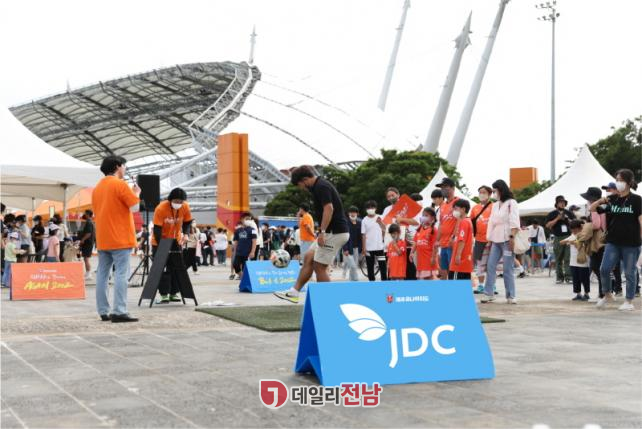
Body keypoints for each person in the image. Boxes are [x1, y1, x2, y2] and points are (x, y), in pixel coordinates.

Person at [274, 166, 350, 303]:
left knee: (319, 267)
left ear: (304, 180)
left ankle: (329, 303)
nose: (301, 188)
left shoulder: (321, 186)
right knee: (309, 257)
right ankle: (294, 292)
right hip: (330, 232)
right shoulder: (317, 187)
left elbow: (329, 208)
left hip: (335, 232)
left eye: (300, 185)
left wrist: (322, 232)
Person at [92, 155, 141, 323]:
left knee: (102, 274)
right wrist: (136, 193)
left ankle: (103, 311)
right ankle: (119, 310)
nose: (125, 169)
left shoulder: (97, 188)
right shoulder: (120, 184)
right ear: (118, 166)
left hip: (103, 237)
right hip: (120, 237)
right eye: (124, 166)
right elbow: (134, 207)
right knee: (121, 273)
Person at [591, 169, 641, 311]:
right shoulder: (613, 199)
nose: (618, 182)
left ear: (629, 182)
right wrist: (601, 200)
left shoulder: (637, 200)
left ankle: (629, 301)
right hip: (613, 241)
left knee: (630, 272)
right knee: (604, 269)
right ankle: (607, 294)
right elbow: (592, 209)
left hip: (631, 243)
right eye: (617, 180)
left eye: (621, 180)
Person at [151, 187, 194, 303]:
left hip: (176, 241)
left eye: (180, 201)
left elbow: (187, 222)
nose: (178, 203)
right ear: (170, 199)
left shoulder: (185, 206)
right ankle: (163, 294)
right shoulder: (161, 208)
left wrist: (186, 234)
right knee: (161, 268)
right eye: (176, 201)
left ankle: (173, 293)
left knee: (176, 267)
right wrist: (162, 247)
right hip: (160, 241)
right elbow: (157, 229)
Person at [481, 180, 520, 304]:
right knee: (490, 266)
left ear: (501, 190)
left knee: (507, 268)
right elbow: (491, 222)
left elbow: (514, 221)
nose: (493, 193)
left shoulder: (511, 203)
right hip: (495, 240)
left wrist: (512, 237)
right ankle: (489, 294)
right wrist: (489, 238)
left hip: (507, 239)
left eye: (494, 191)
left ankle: (511, 296)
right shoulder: (495, 204)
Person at [580, 187, 607, 298]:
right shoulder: (601, 208)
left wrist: (586, 226)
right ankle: (603, 291)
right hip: (602, 240)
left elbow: (596, 225)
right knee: (598, 267)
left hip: (598, 241)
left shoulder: (595, 209)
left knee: (596, 267)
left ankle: (603, 292)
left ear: (592, 199)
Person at [545, 195, 576, 284]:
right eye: (560, 202)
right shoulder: (552, 214)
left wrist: (568, 220)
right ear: (557, 204)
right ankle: (559, 277)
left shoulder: (569, 213)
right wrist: (557, 219)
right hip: (558, 237)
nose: (562, 204)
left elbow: (576, 223)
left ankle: (569, 276)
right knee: (558, 258)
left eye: (563, 202)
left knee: (568, 257)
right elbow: (547, 225)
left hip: (569, 236)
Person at [434, 178, 460, 279]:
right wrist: (437, 240)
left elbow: (459, 221)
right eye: (442, 188)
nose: (443, 189)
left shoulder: (458, 202)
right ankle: (445, 288)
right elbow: (441, 224)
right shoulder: (443, 206)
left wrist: (453, 237)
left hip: (452, 243)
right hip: (443, 243)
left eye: (445, 187)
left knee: (453, 270)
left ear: (453, 188)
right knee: (443, 270)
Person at [561, 220, 591, 301]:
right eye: (572, 229)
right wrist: (569, 241)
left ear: (580, 228)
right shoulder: (572, 235)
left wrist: (574, 242)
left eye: (575, 229)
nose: (573, 231)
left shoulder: (584, 235)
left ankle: (586, 294)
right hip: (573, 261)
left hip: (583, 261)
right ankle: (578, 294)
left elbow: (584, 244)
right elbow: (561, 242)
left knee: (584, 278)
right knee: (575, 278)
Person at [470, 186, 493, 287]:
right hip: (479, 240)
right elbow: (471, 223)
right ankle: (481, 285)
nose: (481, 194)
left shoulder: (494, 207)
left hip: (492, 240)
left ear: (489, 194)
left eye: (484, 192)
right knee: (480, 263)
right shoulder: (475, 208)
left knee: (492, 264)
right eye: (480, 192)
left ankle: (492, 285)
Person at [361, 200, 388, 281]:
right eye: (368, 208)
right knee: (370, 267)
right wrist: (364, 248)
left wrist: (380, 223)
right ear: (366, 209)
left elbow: (385, 229)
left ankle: (384, 283)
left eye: (372, 207)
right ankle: (372, 284)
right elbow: (363, 235)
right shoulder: (364, 220)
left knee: (383, 267)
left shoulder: (380, 217)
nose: (370, 209)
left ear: (375, 208)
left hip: (380, 247)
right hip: (369, 248)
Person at [449, 199, 474, 280]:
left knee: (455, 283)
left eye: (456, 209)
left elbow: (462, 240)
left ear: (463, 209)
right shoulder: (468, 221)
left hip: (460, 261)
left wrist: (458, 255)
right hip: (465, 260)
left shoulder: (464, 222)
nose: (454, 211)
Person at [412, 208, 438, 280]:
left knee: (430, 277)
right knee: (425, 277)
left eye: (426, 215)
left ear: (432, 218)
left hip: (429, 258)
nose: (423, 217)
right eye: (423, 215)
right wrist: (412, 252)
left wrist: (433, 257)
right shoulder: (419, 229)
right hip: (421, 260)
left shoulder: (433, 230)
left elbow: (435, 246)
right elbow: (415, 242)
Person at [232, 213, 257, 280]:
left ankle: (244, 279)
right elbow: (236, 242)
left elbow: (254, 241)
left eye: (249, 219)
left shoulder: (252, 230)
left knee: (245, 267)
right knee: (235, 265)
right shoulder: (237, 230)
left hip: (247, 253)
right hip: (239, 252)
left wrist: (253, 252)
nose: (248, 220)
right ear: (242, 220)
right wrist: (234, 251)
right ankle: (242, 276)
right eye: (246, 219)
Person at [342, 206, 362, 281]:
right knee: (353, 266)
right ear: (348, 213)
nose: (353, 214)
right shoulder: (345, 223)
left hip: (357, 248)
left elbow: (361, 237)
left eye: (354, 212)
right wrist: (345, 249)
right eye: (351, 212)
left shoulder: (360, 223)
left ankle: (351, 280)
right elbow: (343, 236)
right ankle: (356, 280)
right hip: (348, 248)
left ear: (357, 213)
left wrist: (361, 248)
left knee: (354, 266)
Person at [78, 210, 95, 280]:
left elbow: (88, 234)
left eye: (85, 213)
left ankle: (88, 274)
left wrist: (82, 240)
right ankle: (87, 273)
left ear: (88, 214)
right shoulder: (90, 222)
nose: (84, 215)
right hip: (89, 242)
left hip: (88, 242)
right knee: (86, 258)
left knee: (86, 258)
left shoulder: (89, 222)